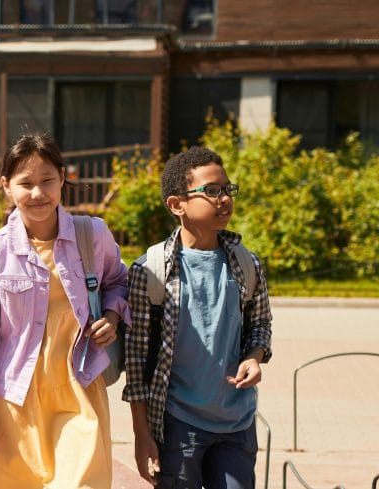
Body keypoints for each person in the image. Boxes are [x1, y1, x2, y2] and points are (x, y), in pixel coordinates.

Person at [0, 133, 130, 488]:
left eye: (47, 180)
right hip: (14, 402)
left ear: (62, 177)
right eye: (26, 183)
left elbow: (119, 281)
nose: (38, 193)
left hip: (79, 388)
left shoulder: (92, 234)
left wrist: (111, 317)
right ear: (7, 186)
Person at [124, 146, 272, 489]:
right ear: (177, 205)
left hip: (237, 423)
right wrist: (141, 434)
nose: (223, 199)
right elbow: (136, 362)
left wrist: (254, 357)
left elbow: (261, 324)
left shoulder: (247, 264)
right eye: (211, 191)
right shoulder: (151, 271)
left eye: (226, 189)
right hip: (178, 425)